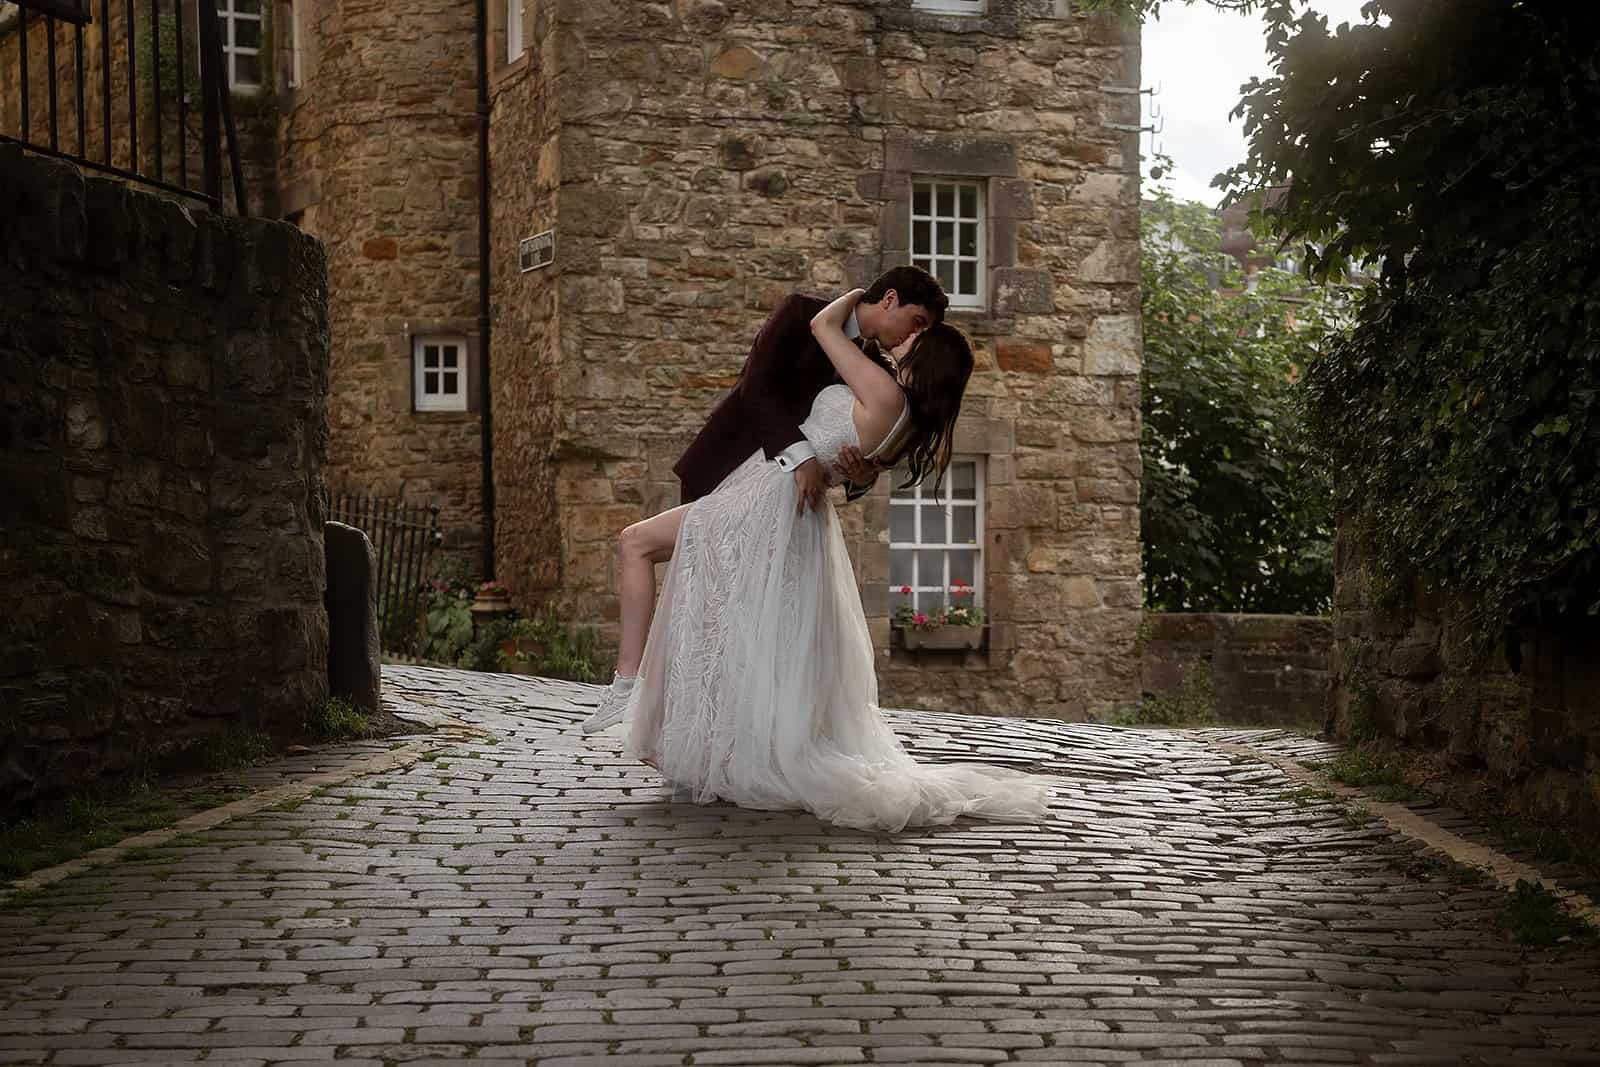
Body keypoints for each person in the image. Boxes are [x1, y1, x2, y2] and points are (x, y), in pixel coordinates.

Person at [581, 287, 1055, 832]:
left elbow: (824, 328)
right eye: (916, 322)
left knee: (651, 556)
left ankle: (632, 693)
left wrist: (856, 296)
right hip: (787, 505)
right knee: (737, 630)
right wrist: (856, 469)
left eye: (921, 332)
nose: (910, 335)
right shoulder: (904, 413)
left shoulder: (880, 386)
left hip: (768, 498)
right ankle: (685, 740)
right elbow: (848, 456)